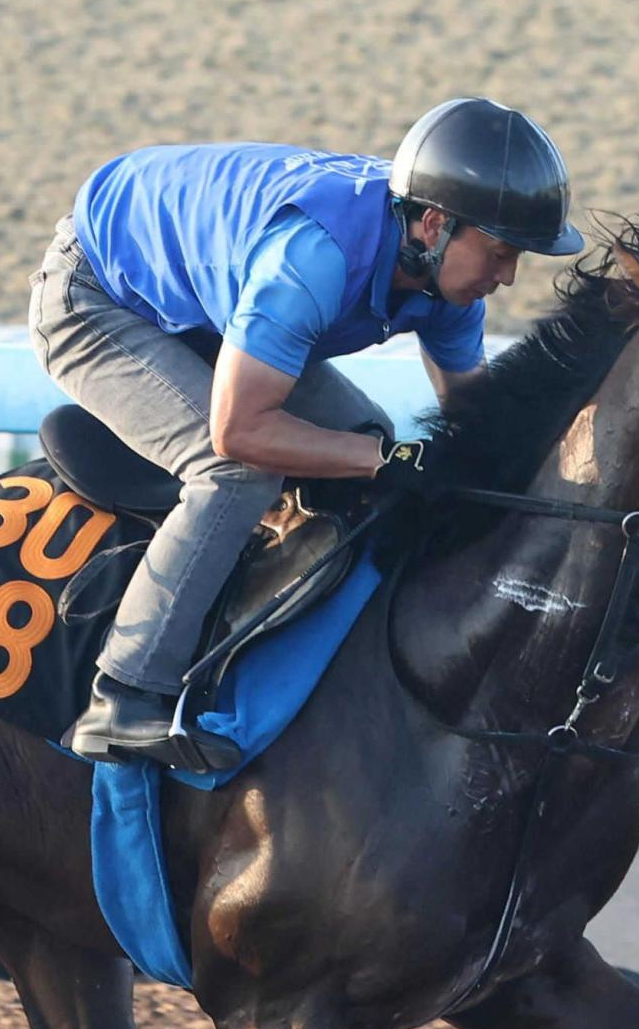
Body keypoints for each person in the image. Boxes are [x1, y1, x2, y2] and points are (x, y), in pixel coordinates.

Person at [29, 97, 586, 768]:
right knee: (235, 471)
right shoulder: (314, 257)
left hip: (215, 302)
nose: (507, 276)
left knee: (366, 438)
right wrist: (385, 457)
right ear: (435, 223)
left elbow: (477, 431)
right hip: (96, 298)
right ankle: (124, 693)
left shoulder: (447, 281)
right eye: (500, 253)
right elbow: (239, 431)